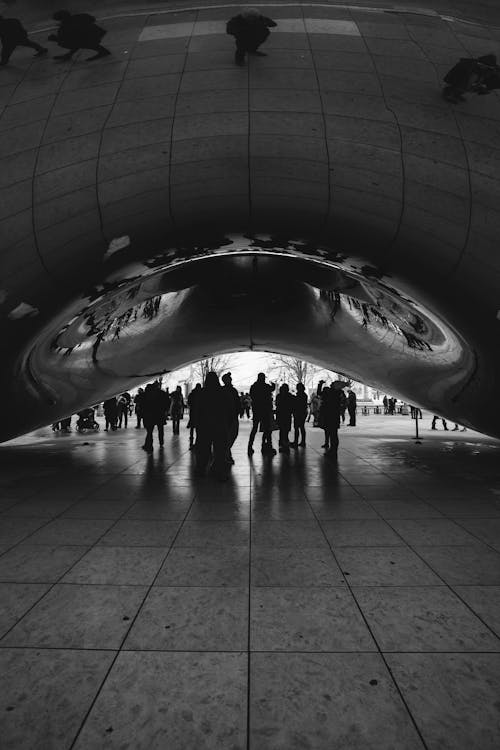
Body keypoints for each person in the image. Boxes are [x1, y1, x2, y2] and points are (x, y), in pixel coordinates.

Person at [194, 372, 233, 480]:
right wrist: (228, 424)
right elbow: (230, 410)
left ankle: (201, 469)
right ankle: (219, 470)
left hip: (205, 426)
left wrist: (197, 425)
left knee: (203, 449)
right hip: (220, 425)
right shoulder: (223, 393)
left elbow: (197, 410)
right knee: (220, 450)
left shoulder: (202, 393)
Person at [248, 372, 275, 456]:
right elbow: (272, 388)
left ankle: (250, 446)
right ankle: (267, 446)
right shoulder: (266, 386)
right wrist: (273, 384)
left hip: (257, 410)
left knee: (254, 428)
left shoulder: (254, 386)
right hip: (265, 410)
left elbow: (252, 396)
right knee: (267, 429)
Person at [141, 382, 170, 452]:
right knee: (160, 429)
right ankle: (161, 441)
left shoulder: (147, 394)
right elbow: (167, 402)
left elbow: (143, 405)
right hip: (160, 414)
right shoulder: (162, 393)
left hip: (149, 415)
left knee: (150, 431)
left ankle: (149, 445)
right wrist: (165, 411)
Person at [222, 372, 241, 464]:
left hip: (225, 415)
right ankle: (226, 452)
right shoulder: (233, 390)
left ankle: (226, 453)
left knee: (227, 435)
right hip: (232, 415)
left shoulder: (222, 390)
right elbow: (237, 402)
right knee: (232, 434)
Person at [322, 383, 343, 458]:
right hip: (334, 418)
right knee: (334, 434)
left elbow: (321, 394)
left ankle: (333, 450)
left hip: (331, 417)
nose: (331, 384)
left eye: (332, 384)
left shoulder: (333, 395)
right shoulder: (336, 394)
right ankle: (333, 450)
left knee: (333, 434)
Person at [275, 383, 295, 453]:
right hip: (287, 414)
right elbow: (292, 405)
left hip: (280, 414)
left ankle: (281, 442)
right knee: (286, 429)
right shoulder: (290, 396)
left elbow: (276, 404)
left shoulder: (279, 396)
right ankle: (285, 441)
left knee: (281, 429)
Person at [291, 382, 307, 447]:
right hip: (302, 412)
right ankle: (303, 441)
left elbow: (297, 403)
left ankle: (296, 441)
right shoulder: (304, 395)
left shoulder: (300, 395)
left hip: (298, 413)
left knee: (297, 427)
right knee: (302, 427)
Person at [187, 383, 202, 449]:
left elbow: (189, 402)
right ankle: (198, 439)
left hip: (193, 411)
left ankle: (191, 438)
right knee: (199, 427)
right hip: (200, 413)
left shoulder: (192, 394)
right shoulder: (202, 394)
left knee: (192, 426)